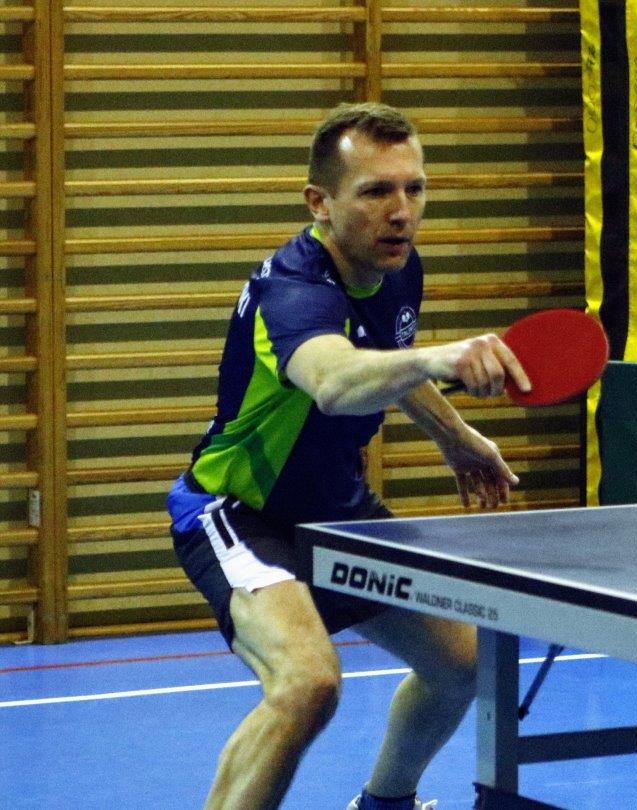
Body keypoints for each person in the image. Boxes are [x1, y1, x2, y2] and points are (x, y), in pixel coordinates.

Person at [166, 102, 531, 810]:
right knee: (307, 684)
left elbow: (385, 358)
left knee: (462, 664)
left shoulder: (396, 269)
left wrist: (457, 438)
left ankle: (385, 805)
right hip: (242, 513)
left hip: (338, 512)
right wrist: (444, 357)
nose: (401, 212)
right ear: (320, 203)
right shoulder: (289, 293)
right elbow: (335, 380)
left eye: (414, 189)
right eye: (375, 192)